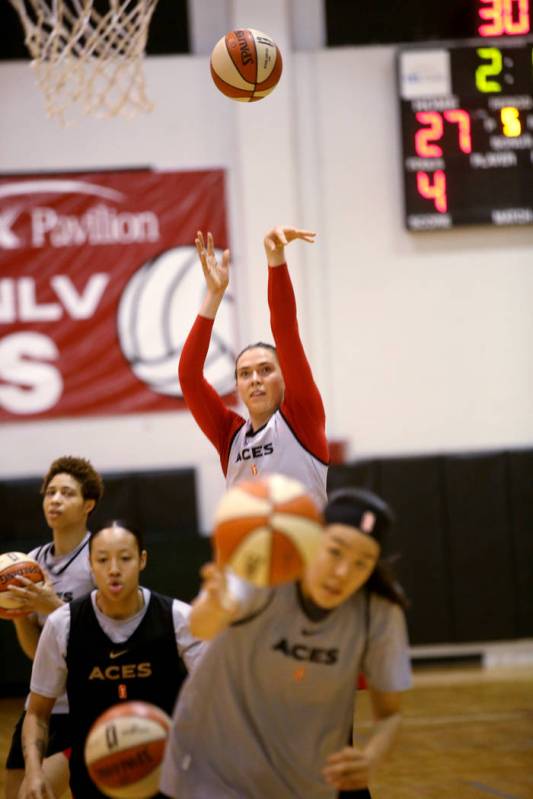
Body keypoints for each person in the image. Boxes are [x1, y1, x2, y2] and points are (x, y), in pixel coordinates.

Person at [159, 486, 411, 799]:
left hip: (299, 775)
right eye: (335, 551)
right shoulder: (269, 571)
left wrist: (371, 759)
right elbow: (201, 626)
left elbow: (390, 715)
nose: (344, 572)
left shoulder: (379, 612)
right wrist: (216, 606)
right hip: (213, 765)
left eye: (363, 562)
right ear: (313, 542)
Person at [20, 520, 205, 799]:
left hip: (166, 774)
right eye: (103, 560)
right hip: (93, 775)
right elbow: (37, 712)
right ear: (91, 565)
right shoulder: (62, 624)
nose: (114, 569)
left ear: (142, 560)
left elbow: (215, 698)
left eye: (125, 558)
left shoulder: (179, 618)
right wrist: (34, 772)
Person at [178, 225, 329, 509]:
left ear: (286, 378)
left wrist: (276, 260)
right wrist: (213, 296)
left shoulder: (302, 417)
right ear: (237, 386)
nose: (255, 379)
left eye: (265, 370)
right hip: (249, 554)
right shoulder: (230, 436)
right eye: (245, 374)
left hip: (304, 552)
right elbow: (188, 377)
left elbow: (285, 330)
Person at [3, 455, 104, 799]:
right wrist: (20, 617)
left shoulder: (100, 558)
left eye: (66, 493)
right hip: (42, 702)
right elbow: (37, 652)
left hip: (85, 702)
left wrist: (55, 608)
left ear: (88, 504)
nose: (55, 500)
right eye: (50, 493)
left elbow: (110, 639)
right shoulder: (30, 562)